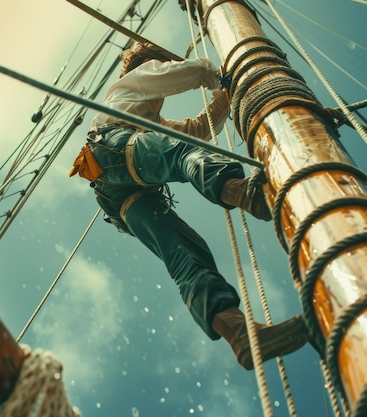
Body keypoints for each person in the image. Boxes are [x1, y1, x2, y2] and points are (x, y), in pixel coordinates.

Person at [69, 42, 307, 370]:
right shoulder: (136, 79)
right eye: (160, 61)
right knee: (181, 154)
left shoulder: (145, 118)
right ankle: (247, 194)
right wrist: (219, 75)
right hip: (112, 149)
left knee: (186, 254)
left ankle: (239, 334)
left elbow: (196, 130)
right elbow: (179, 74)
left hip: (117, 197)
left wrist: (224, 99)